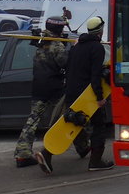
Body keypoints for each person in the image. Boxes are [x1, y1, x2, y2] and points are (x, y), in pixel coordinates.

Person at [38, 15, 113, 173]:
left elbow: (70, 69)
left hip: (72, 91)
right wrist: (99, 97)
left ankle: (47, 153)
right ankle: (96, 161)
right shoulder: (97, 48)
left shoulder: (76, 46)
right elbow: (95, 75)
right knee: (99, 125)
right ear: (101, 31)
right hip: (87, 94)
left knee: (73, 123)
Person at [14, 15, 86, 168]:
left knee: (33, 120)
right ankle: (83, 147)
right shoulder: (57, 45)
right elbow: (66, 63)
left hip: (39, 85)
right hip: (55, 88)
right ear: (59, 29)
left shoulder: (41, 41)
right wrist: (74, 48)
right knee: (69, 116)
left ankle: (22, 154)